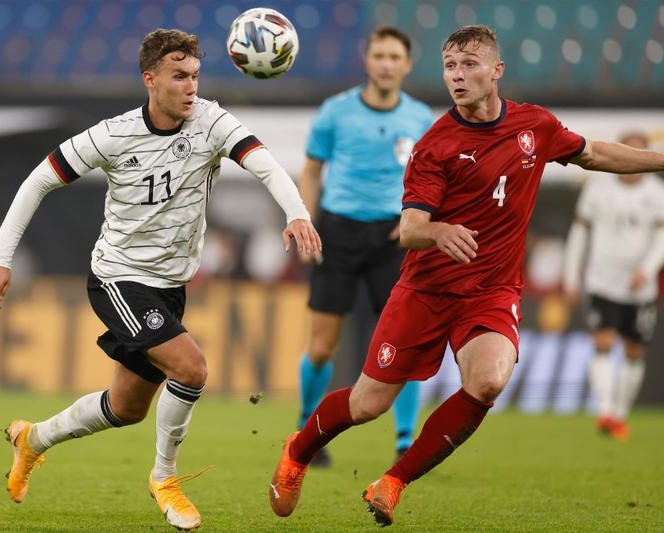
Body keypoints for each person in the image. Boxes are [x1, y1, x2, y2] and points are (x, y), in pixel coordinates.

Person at [267, 24, 664, 527]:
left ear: (496, 70)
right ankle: (298, 449)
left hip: (492, 291)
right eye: (451, 66)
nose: (457, 75)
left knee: (489, 379)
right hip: (426, 290)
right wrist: (438, 230)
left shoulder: (534, 126)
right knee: (369, 403)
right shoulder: (436, 144)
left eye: (469, 64)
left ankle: (393, 481)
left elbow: (594, 153)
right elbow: (408, 229)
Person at [0, 29, 321, 531]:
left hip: (168, 287)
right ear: (151, 79)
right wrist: (0, 259)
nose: (190, 87)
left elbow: (265, 165)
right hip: (117, 277)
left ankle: (33, 439)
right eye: (179, 77)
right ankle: (165, 478)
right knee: (192, 368)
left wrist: (296, 212)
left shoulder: (210, 122)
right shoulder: (112, 135)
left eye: (196, 76)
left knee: (126, 408)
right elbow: (39, 180)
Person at [295, 26, 435, 466]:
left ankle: (404, 442)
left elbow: (436, 180)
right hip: (337, 233)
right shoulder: (335, 111)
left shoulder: (420, 119)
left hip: (393, 238)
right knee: (322, 346)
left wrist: (418, 219)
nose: (387, 64)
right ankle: (307, 430)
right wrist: (306, 223)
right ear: (367, 60)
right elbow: (313, 171)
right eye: (380, 56)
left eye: (395, 57)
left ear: (407, 64)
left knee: (405, 344)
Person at [563, 131, 664, 440]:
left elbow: (661, 236)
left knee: (634, 350)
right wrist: (570, 276)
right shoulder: (598, 187)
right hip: (601, 280)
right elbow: (580, 232)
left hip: (639, 287)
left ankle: (620, 412)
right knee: (603, 342)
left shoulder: (656, 192)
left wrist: (647, 270)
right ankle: (605, 412)